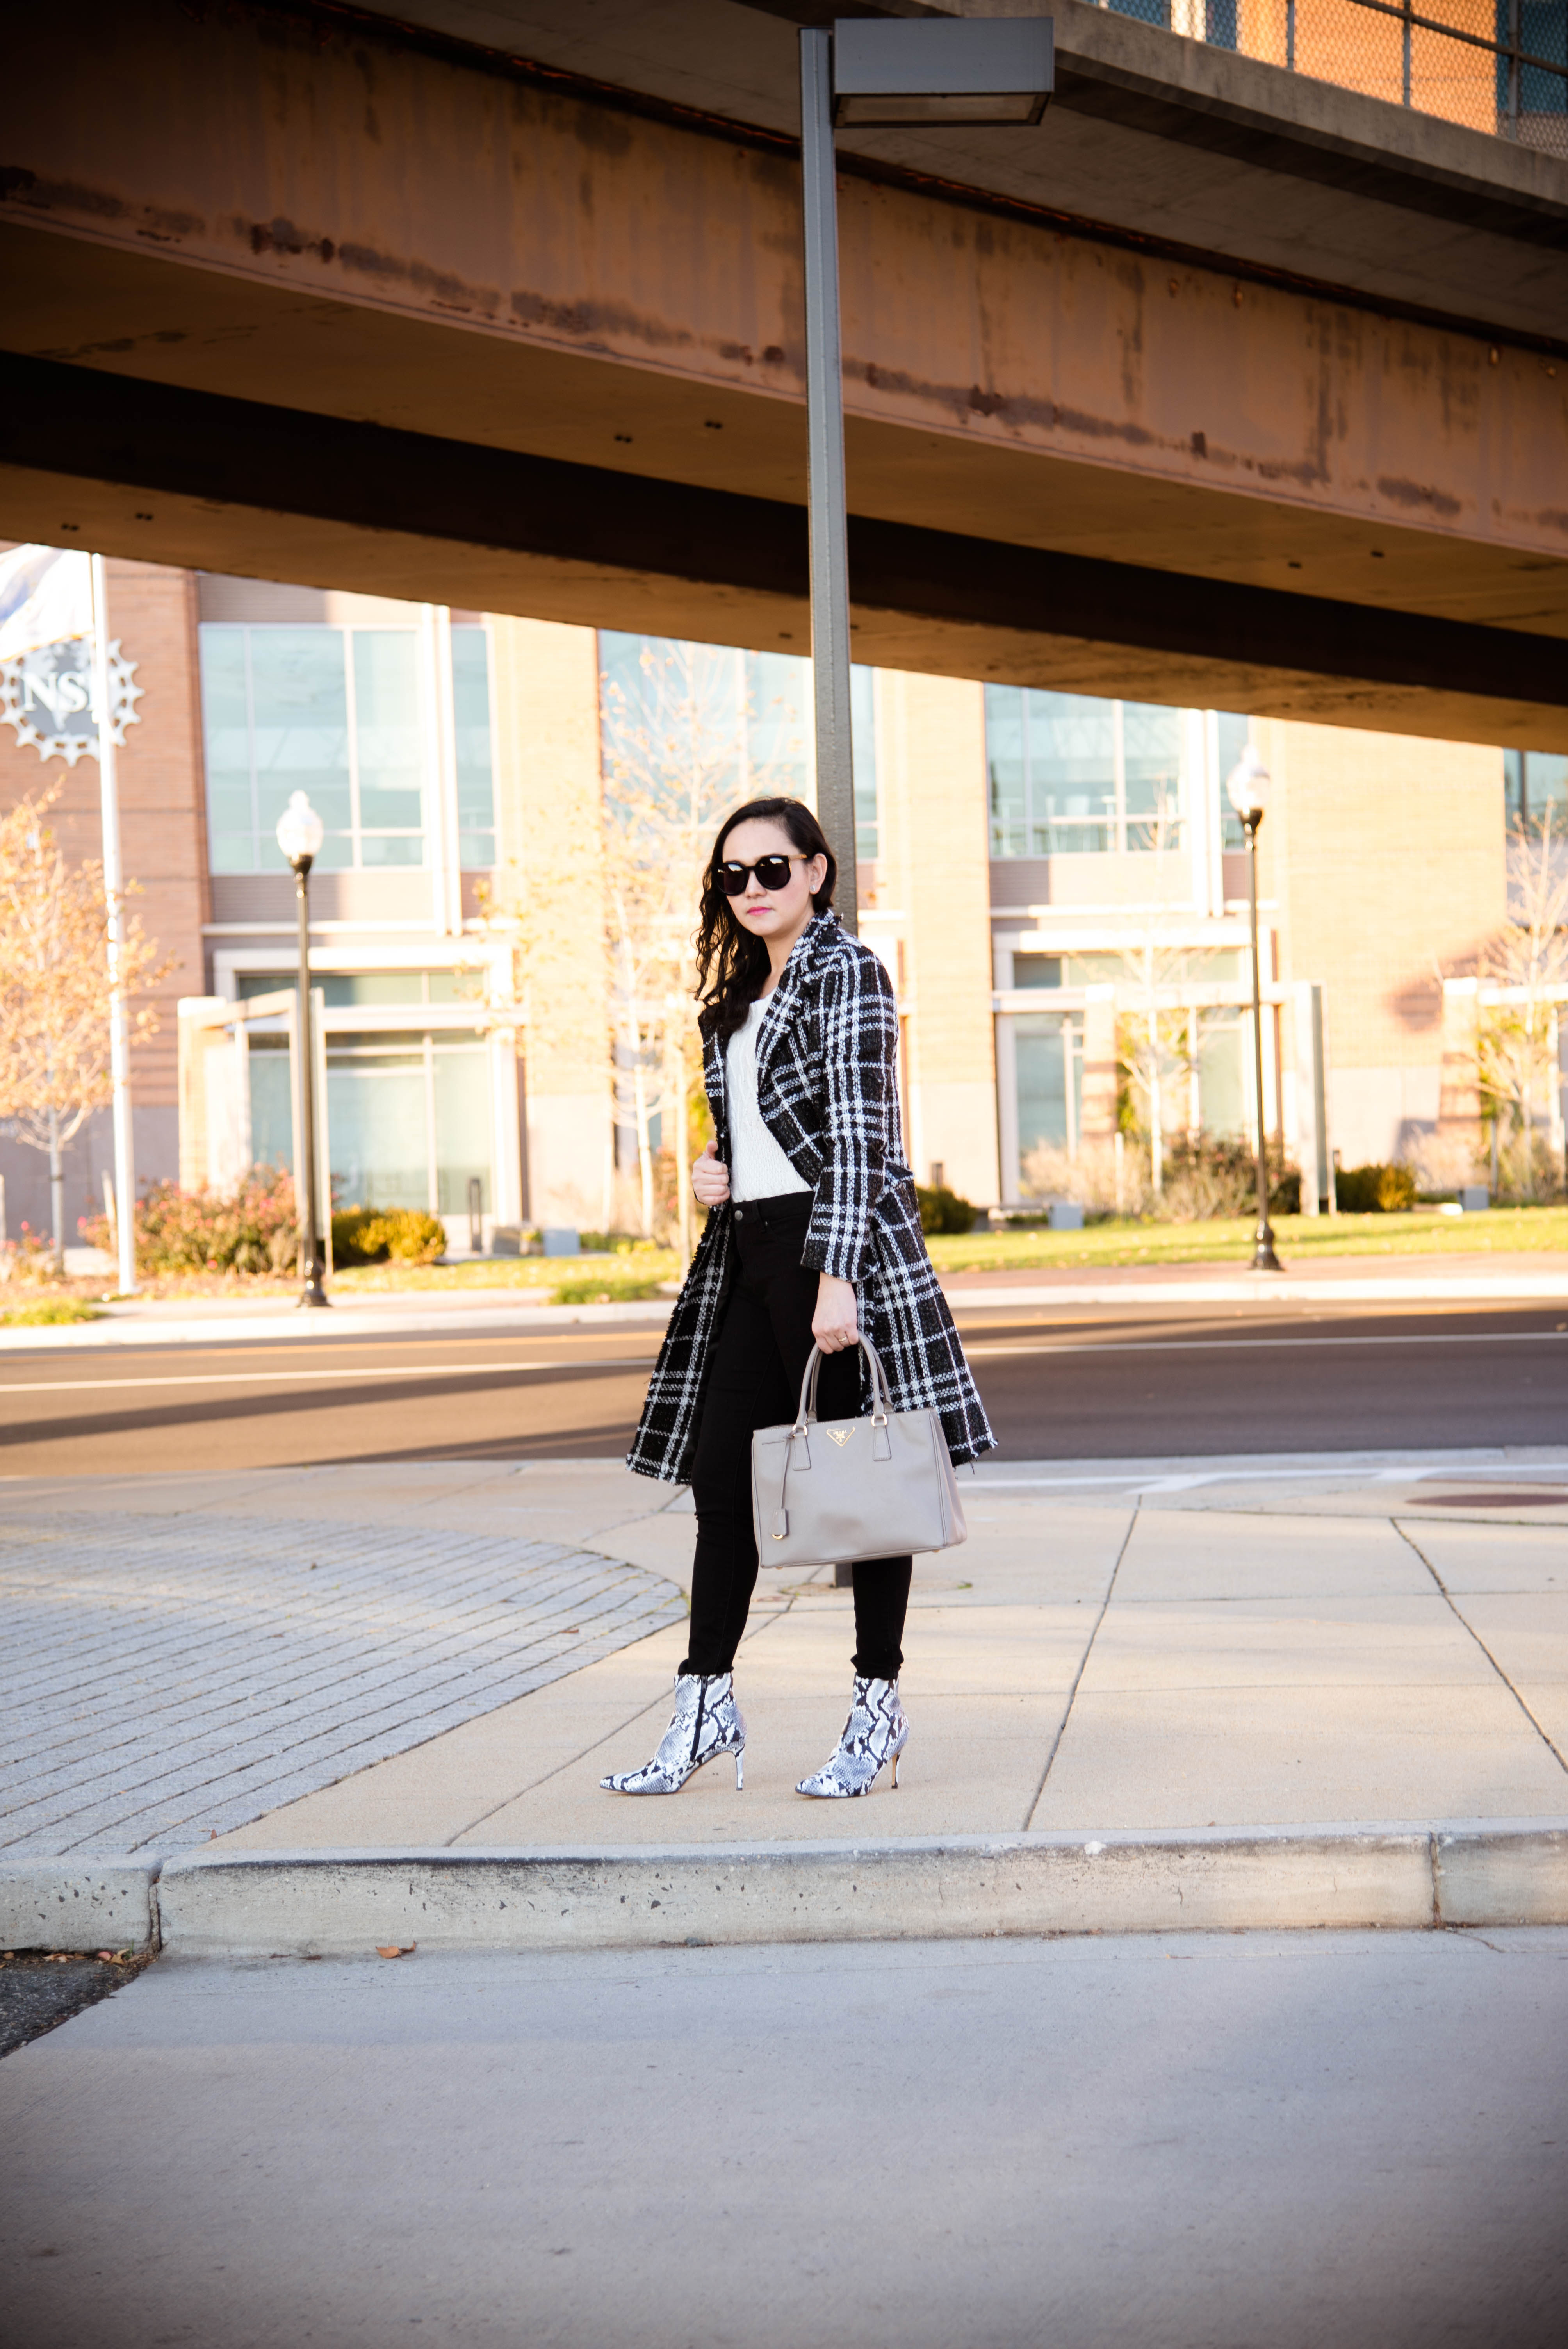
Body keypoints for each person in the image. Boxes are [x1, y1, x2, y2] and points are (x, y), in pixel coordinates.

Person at [602, 796, 994, 1800]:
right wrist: (711, 1169)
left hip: (831, 1254)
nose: (750, 890)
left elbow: (863, 1139)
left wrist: (837, 1277)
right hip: (745, 1254)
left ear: (816, 871)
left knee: (867, 1498)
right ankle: (704, 1706)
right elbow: (760, 1132)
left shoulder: (847, 972)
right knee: (722, 1493)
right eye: (731, 876)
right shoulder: (738, 996)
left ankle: (877, 1706)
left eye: (770, 869)